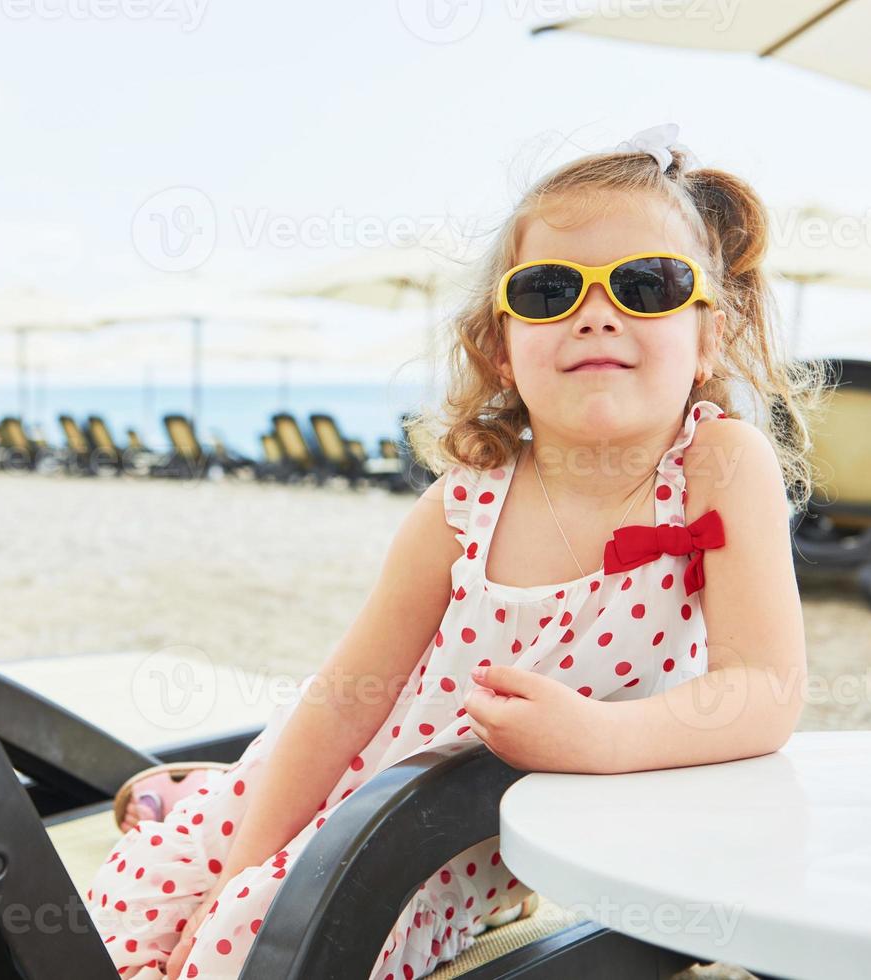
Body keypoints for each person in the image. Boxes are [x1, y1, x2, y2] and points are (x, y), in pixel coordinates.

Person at [86, 123, 823, 979]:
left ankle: (183, 806)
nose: (594, 313)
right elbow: (343, 700)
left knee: (241, 951)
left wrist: (597, 736)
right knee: (116, 919)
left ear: (710, 337)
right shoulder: (466, 502)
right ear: (498, 348)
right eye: (548, 290)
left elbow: (764, 691)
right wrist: (243, 858)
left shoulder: (717, 465)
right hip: (327, 779)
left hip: (433, 839)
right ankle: (193, 804)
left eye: (646, 285)